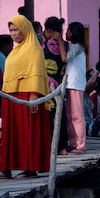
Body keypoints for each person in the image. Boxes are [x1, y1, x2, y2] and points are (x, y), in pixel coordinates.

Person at [0, 15, 51, 179]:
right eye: (11, 30)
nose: (13, 33)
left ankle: (30, 168)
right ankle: (6, 168)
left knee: (27, 132)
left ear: (25, 29)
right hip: (12, 97)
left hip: (27, 95)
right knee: (11, 132)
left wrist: (34, 96)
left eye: (16, 29)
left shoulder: (34, 49)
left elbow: (36, 72)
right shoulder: (16, 50)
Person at [42, 17, 68, 156]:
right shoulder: (66, 45)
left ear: (49, 30)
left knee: (50, 117)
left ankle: (51, 146)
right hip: (61, 85)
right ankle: (62, 147)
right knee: (61, 116)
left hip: (48, 86)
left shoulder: (45, 47)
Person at [63, 21, 88, 154]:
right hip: (71, 84)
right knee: (70, 115)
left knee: (77, 116)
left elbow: (66, 58)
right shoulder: (74, 46)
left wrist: (60, 43)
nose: (66, 33)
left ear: (74, 33)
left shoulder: (78, 47)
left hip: (76, 84)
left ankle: (80, 144)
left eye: (68, 31)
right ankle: (73, 143)